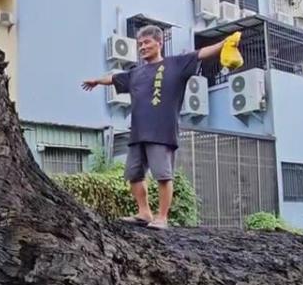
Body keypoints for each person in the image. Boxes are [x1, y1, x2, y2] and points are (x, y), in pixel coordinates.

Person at [82, 26, 237, 229]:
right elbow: (113, 78)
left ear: (159, 43)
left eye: (147, 42)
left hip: (162, 131)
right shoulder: (135, 73)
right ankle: (144, 212)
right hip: (138, 133)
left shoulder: (176, 64)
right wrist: (97, 81)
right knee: (133, 174)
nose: (142, 47)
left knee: (163, 175)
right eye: (140, 44)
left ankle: (162, 217)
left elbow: (201, 53)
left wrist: (226, 43)